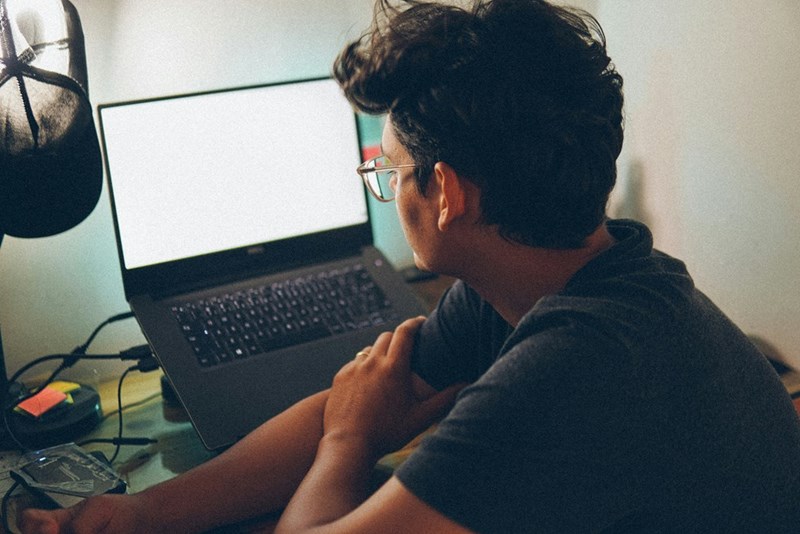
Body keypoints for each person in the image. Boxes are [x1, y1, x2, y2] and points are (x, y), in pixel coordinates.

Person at [19, 0, 800, 532]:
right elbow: (355, 396)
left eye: (389, 170)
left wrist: (351, 447)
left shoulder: (574, 367)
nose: (389, 188)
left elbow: (349, 425)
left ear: (448, 192)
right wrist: (140, 516)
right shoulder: (575, 274)